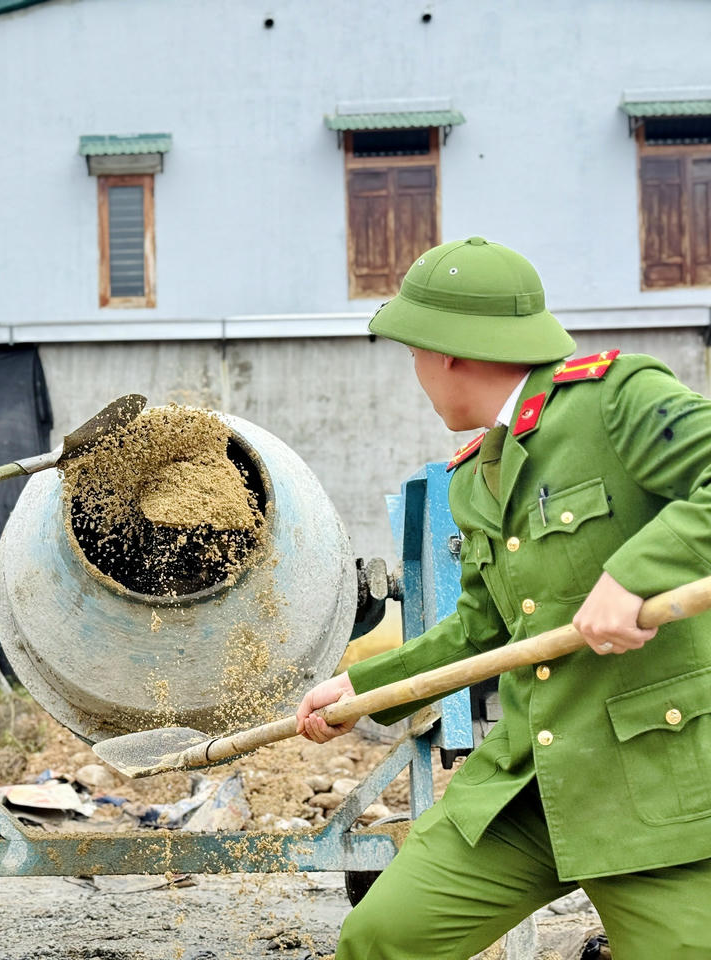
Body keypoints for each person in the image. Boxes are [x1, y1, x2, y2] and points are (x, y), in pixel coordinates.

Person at [294, 236, 711, 959]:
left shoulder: (616, 400)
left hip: (646, 781)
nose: (417, 373)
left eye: (414, 352)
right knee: (382, 939)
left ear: (447, 349)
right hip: (525, 788)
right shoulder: (472, 475)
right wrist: (360, 689)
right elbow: (482, 630)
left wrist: (635, 573)